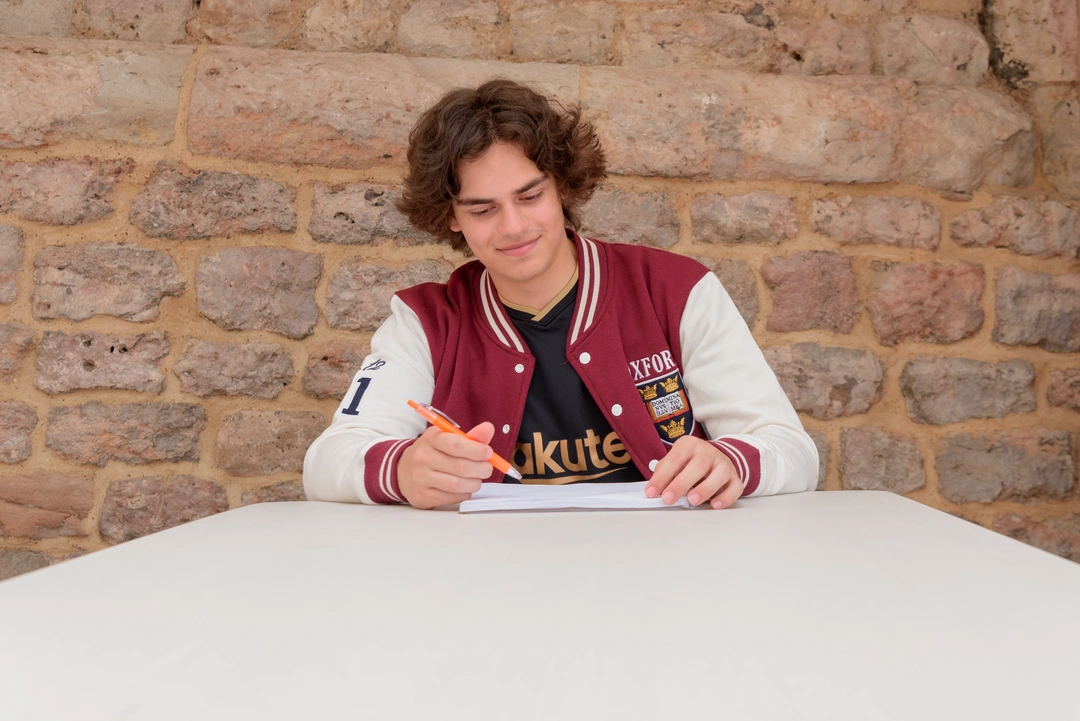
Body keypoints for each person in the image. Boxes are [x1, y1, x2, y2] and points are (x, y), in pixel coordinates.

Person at [303, 79, 818, 509]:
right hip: (483, 582)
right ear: (450, 218)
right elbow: (328, 461)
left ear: (565, 187)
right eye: (482, 210)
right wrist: (402, 470)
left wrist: (731, 460)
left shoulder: (676, 290)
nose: (513, 226)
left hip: (670, 572)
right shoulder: (425, 321)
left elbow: (792, 450)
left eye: (531, 196)